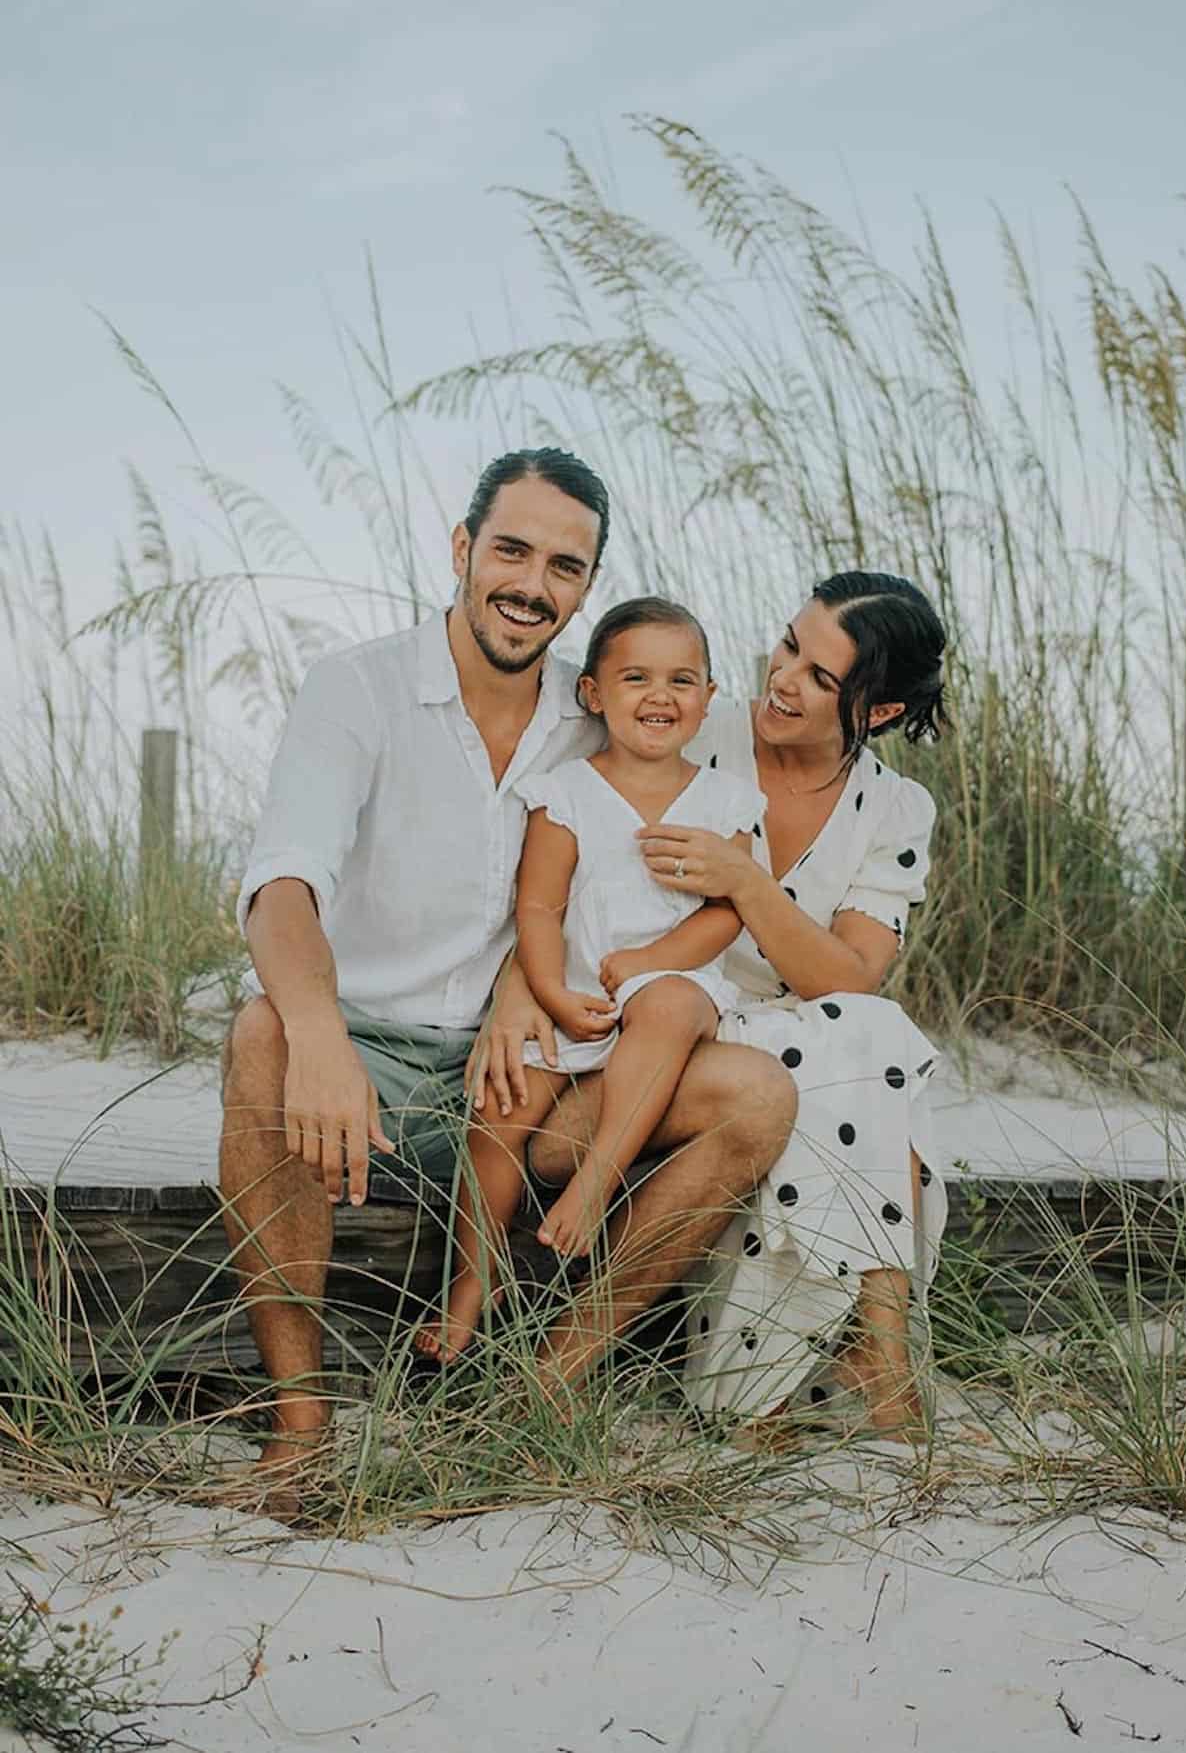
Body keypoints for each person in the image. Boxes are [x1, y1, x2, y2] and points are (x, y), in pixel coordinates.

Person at [218, 448, 796, 1503]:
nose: (531, 584)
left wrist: (522, 993)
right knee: (261, 1031)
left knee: (754, 1097)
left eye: (563, 566)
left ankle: (545, 1380)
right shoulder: (358, 687)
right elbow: (281, 885)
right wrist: (318, 1031)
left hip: (526, 1080)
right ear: (463, 550)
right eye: (512, 550)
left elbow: (764, 754)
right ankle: (299, 1426)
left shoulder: (599, 723)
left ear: (584, 587)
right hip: (365, 1057)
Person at [534, 571, 949, 1433]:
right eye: (790, 644)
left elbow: (846, 976)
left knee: (851, 1035)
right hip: (652, 1024)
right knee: (851, 1055)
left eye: (821, 678)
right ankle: (872, 1349)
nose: (784, 678)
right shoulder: (686, 720)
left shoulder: (897, 808)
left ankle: (807, 1367)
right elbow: (547, 870)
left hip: (797, 1037)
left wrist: (745, 885)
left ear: (873, 712)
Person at [416, 598, 764, 1363]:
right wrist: (547, 991)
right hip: (574, 991)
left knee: (669, 1003)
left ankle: (597, 1178)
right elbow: (537, 908)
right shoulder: (565, 794)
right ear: (593, 693)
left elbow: (725, 914)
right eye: (635, 677)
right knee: (496, 1113)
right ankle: (474, 1281)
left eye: (682, 679)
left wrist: (652, 959)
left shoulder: (724, 801)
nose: (660, 695)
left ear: (709, 698)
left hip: (670, 986)